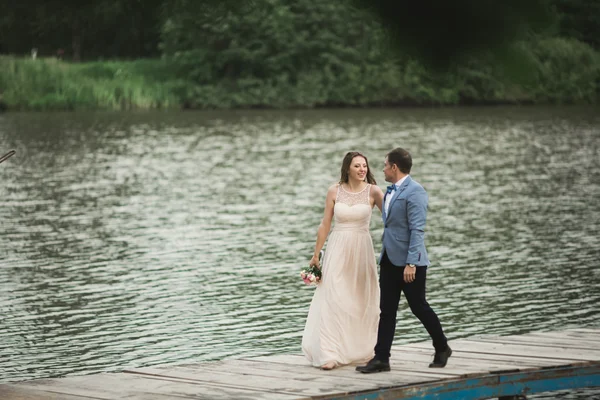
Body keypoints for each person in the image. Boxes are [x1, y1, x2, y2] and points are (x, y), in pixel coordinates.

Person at [356, 147, 451, 374]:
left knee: (418, 306)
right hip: (389, 259)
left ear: (394, 167)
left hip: (410, 262)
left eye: (386, 165)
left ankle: (442, 346)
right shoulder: (390, 191)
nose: (383, 169)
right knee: (386, 310)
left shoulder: (415, 192)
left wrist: (412, 263)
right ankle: (381, 358)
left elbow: (417, 230)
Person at [302, 151, 384, 370]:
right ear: (348, 168)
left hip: (361, 250)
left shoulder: (374, 191)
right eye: (357, 166)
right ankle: (329, 353)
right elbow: (325, 224)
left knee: (360, 299)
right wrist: (316, 253)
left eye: (364, 166)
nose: (362, 170)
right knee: (333, 296)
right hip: (337, 248)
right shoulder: (334, 190)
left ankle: (364, 349)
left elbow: (392, 221)